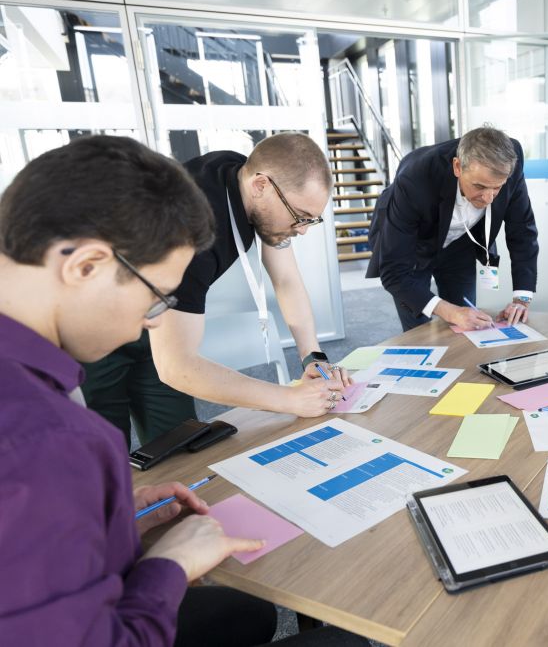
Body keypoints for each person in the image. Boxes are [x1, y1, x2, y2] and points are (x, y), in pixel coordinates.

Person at [0, 136, 367, 645]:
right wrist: (170, 565)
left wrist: (112, 519)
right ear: (84, 266)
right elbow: (173, 365)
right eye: (154, 300)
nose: (141, 327)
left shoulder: (229, 177)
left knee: (250, 613)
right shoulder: (52, 441)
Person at [82, 133, 350, 447]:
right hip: (91, 329)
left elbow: (287, 279)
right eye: (298, 217)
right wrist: (289, 400)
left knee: (176, 448)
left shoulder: (240, 174)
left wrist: (313, 357)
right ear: (261, 186)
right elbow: (176, 366)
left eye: (310, 220)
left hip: (155, 319)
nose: (302, 230)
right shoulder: (189, 230)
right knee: (98, 456)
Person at [366, 126, 539, 331]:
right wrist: (450, 312)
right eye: (480, 186)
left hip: (461, 245)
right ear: (457, 167)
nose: (488, 198)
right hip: (413, 247)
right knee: (419, 331)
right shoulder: (414, 177)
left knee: (469, 324)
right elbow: (394, 272)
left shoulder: (512, 161)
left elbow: (522, 231)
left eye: (497, 188)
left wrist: (521, 298)